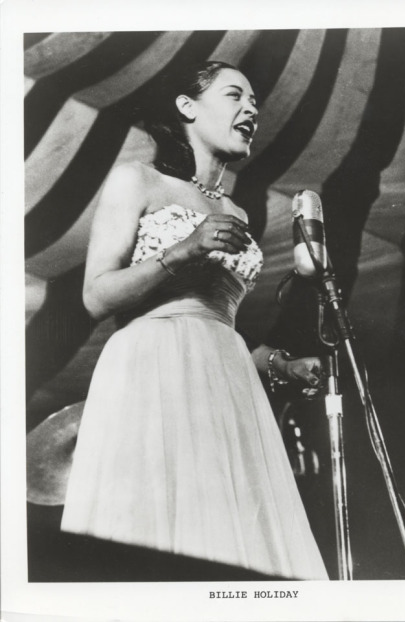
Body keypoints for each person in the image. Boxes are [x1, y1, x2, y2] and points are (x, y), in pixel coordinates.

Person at [61, 60, 329, 580]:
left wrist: (276, 362)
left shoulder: (239, 211)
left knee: (231, 531)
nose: (251, 108)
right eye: (235, 95)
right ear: (187, 107)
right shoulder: (136, 179)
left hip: (226, 384)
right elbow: (96, 297)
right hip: (151, 371)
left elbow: (212, 326)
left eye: (254, 101)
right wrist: (182, 251)